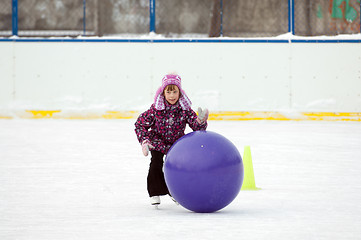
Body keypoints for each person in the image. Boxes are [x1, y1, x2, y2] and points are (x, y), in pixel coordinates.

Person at [134, 74, 209, 206]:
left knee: (178, 168)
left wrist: (200, 121)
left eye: (175, 91)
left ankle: (175, 192)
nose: (172, 95)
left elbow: (197, 128)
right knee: (156, 163)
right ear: (163, 93)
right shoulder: (156, 109)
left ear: (180, 92)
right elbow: (140, 124)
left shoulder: (185, 110)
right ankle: (154, 192)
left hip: (176, 144)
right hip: (157, 142)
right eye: (168, 92)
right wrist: (145, 141)